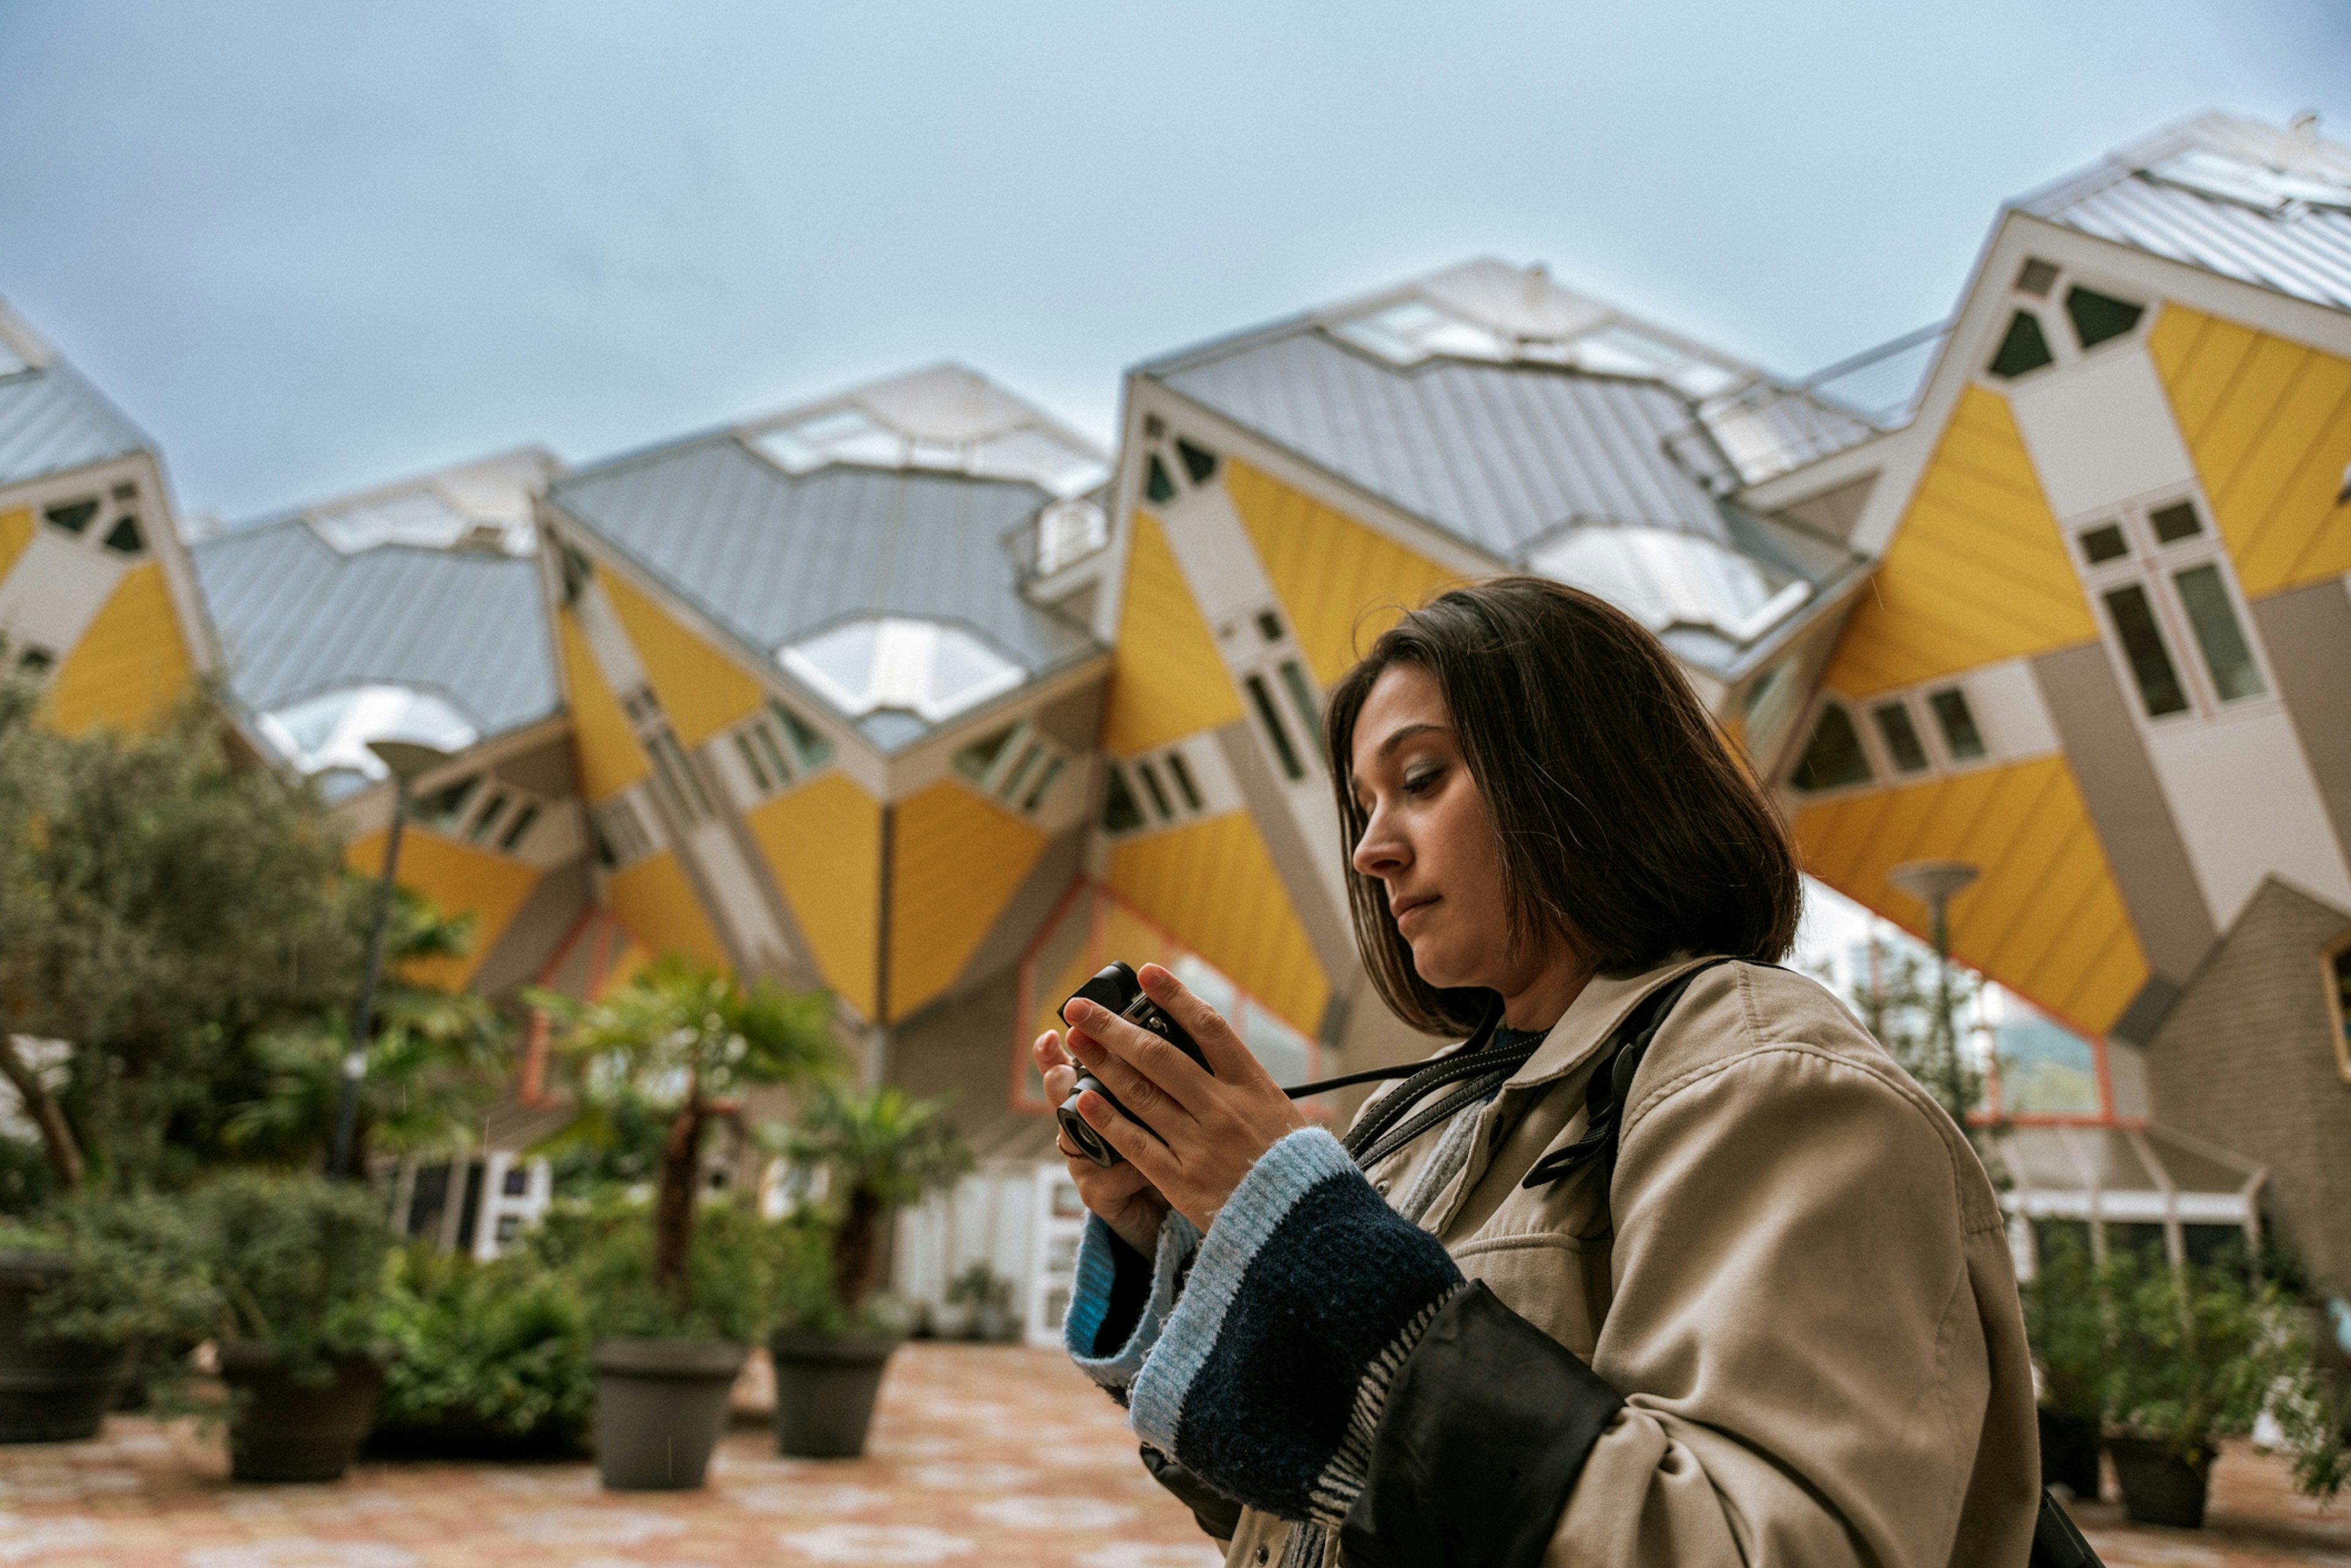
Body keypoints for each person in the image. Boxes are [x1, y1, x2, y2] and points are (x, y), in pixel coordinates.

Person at [1032, 576, 2040, 1567]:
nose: (1372, 850)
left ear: (1582, 773)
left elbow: (1761, 1545)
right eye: (1364, 804)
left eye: (1421, 778)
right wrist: (1178, 1233)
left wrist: (1311, 1248)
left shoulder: (1772, 1079)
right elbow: (1304, 1512)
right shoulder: (1420, 1113)